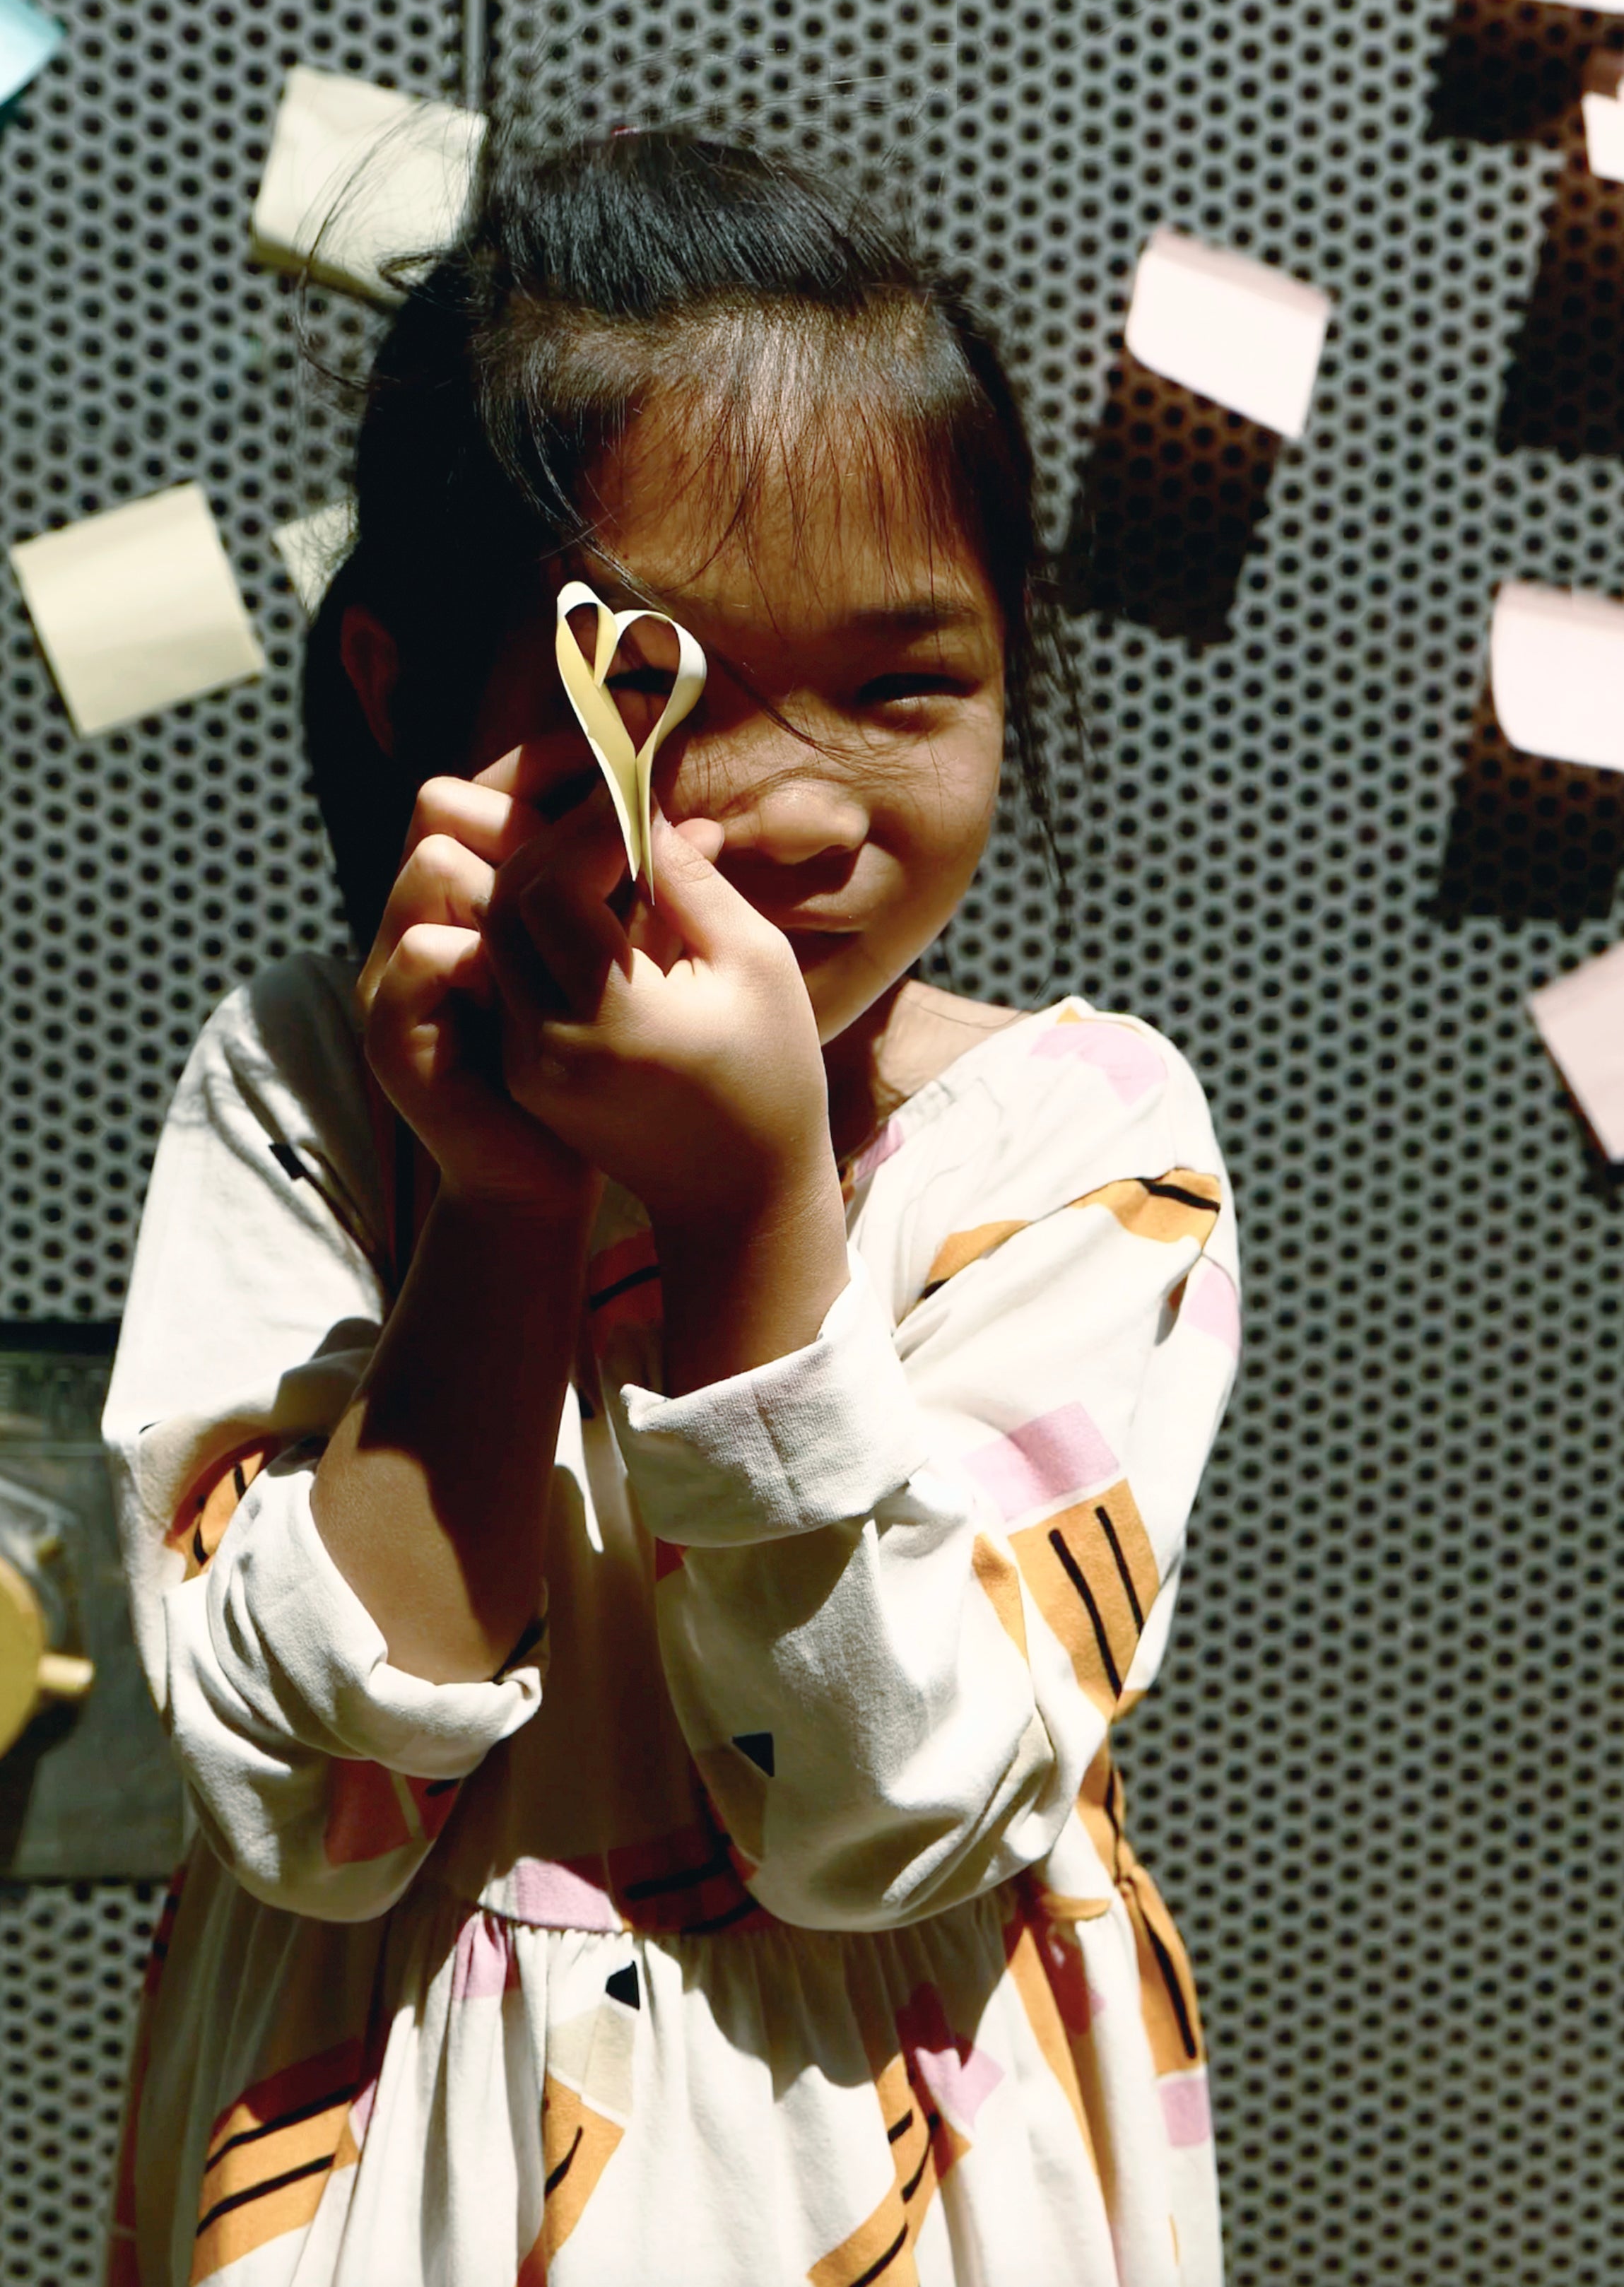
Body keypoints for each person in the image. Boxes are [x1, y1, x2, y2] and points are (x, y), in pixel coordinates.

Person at [101, 127, 1242, 2287]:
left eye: (903, 685)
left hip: (882, 2158)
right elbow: (307, 1809)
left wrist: (747, 1212)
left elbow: (879, 1814)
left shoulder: (1071, 1143)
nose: (802, 806)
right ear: (408, 692)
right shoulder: (309, 1091)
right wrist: (500, 1202)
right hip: (390, 2154)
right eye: (665, 691)